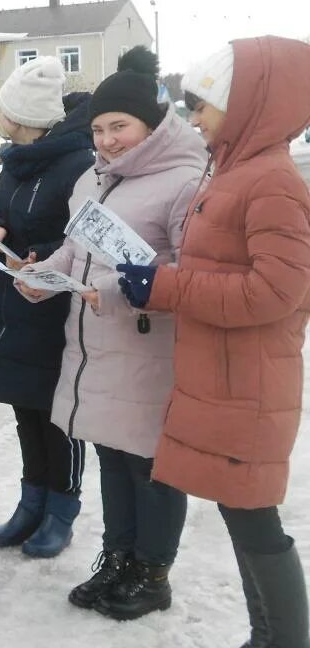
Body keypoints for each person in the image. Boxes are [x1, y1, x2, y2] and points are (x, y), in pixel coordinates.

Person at [117, 36, 310, 646]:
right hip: (227, 378)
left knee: (254, 519)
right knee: (242, 512)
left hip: (248, 384)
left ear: (249, 100)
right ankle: (268, 636)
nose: (192, 119)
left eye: (202, 105)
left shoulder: (271, 182)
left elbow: (273, 292)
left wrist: (168, 287)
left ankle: (282, 638)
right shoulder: (233, 171)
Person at [21, 47, 204, 620]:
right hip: (95, 348)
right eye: (98, 129)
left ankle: (153, 572)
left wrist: (129, 289)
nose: (107, 140)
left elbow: (193, 272)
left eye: (119, 126)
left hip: (152, 350)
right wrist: (44, 276)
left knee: (151, 464)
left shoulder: (185, 182)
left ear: (149, 125)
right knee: (112, 455)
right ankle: (118, 557)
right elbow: (77, 249)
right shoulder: (92, 181)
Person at [0, 57, 94, 557]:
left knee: (58, 414)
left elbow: (83, 235)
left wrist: (41, 256)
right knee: (26, 408)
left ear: (20, 115)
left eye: (4, 109)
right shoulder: (18, 159)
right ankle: (31, 501)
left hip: (54, 306)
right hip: (13, 299)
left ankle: (62, 509)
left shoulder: (75, 163)